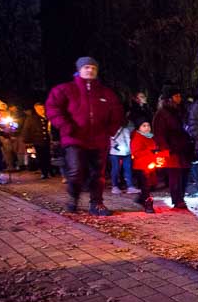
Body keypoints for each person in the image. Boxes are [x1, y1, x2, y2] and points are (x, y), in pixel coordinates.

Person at [46, 57, 124, 215]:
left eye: (93, 68)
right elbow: (53, 108)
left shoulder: (106, 92)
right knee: (76, 171)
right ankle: (73, 198)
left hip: (99, 140)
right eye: (87, 67)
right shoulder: (65, 89)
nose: (90, 70)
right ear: (79, 69)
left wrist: (110, 130)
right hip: (75, 138)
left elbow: (117, 113)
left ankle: (97, 204)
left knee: (98, 174)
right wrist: (65, 126)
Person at [153, 85, 194, 209]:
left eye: (179, 96)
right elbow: (159, 133)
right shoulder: (162, 114)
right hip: (172, 149)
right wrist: (165, 148)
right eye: (176, 96)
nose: (179, 98)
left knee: (184, 173)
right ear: (169, 98)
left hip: (183, 148)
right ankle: (177, 199)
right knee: (175, 175)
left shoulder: (180, 111)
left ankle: (181, 197)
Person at [130, 119, 159, 214]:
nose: (147, 128)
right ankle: (147, 204)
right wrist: (150, 151)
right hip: (141, 166)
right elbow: (135, 152)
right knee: (146, 186)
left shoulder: (150, 137)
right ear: (139, 128)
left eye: (148, 125)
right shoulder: (137, 138)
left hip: (150, 165)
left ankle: (142, 198)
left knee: (149, 185)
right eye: (144, 126)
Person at [21, 102, 53, 179]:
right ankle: (44, 172)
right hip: (38, 141)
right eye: (39, 109)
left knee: (48, 156)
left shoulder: (48, 117)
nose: (42, 110)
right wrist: (27, 141)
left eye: (43, 108)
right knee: (41, 157)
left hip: (47, 140)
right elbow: (26, 130)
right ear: (36, 109)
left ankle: (50, 171)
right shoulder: (31, 118)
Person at [108, 120, 139, 194]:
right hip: (116, 152)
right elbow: (110, 137)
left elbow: (130, 137)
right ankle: (115, 186)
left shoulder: (127, 127)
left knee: (127, 169)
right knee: (116, 169)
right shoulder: (113, 127)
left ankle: (129, 186)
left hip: (126, 151)